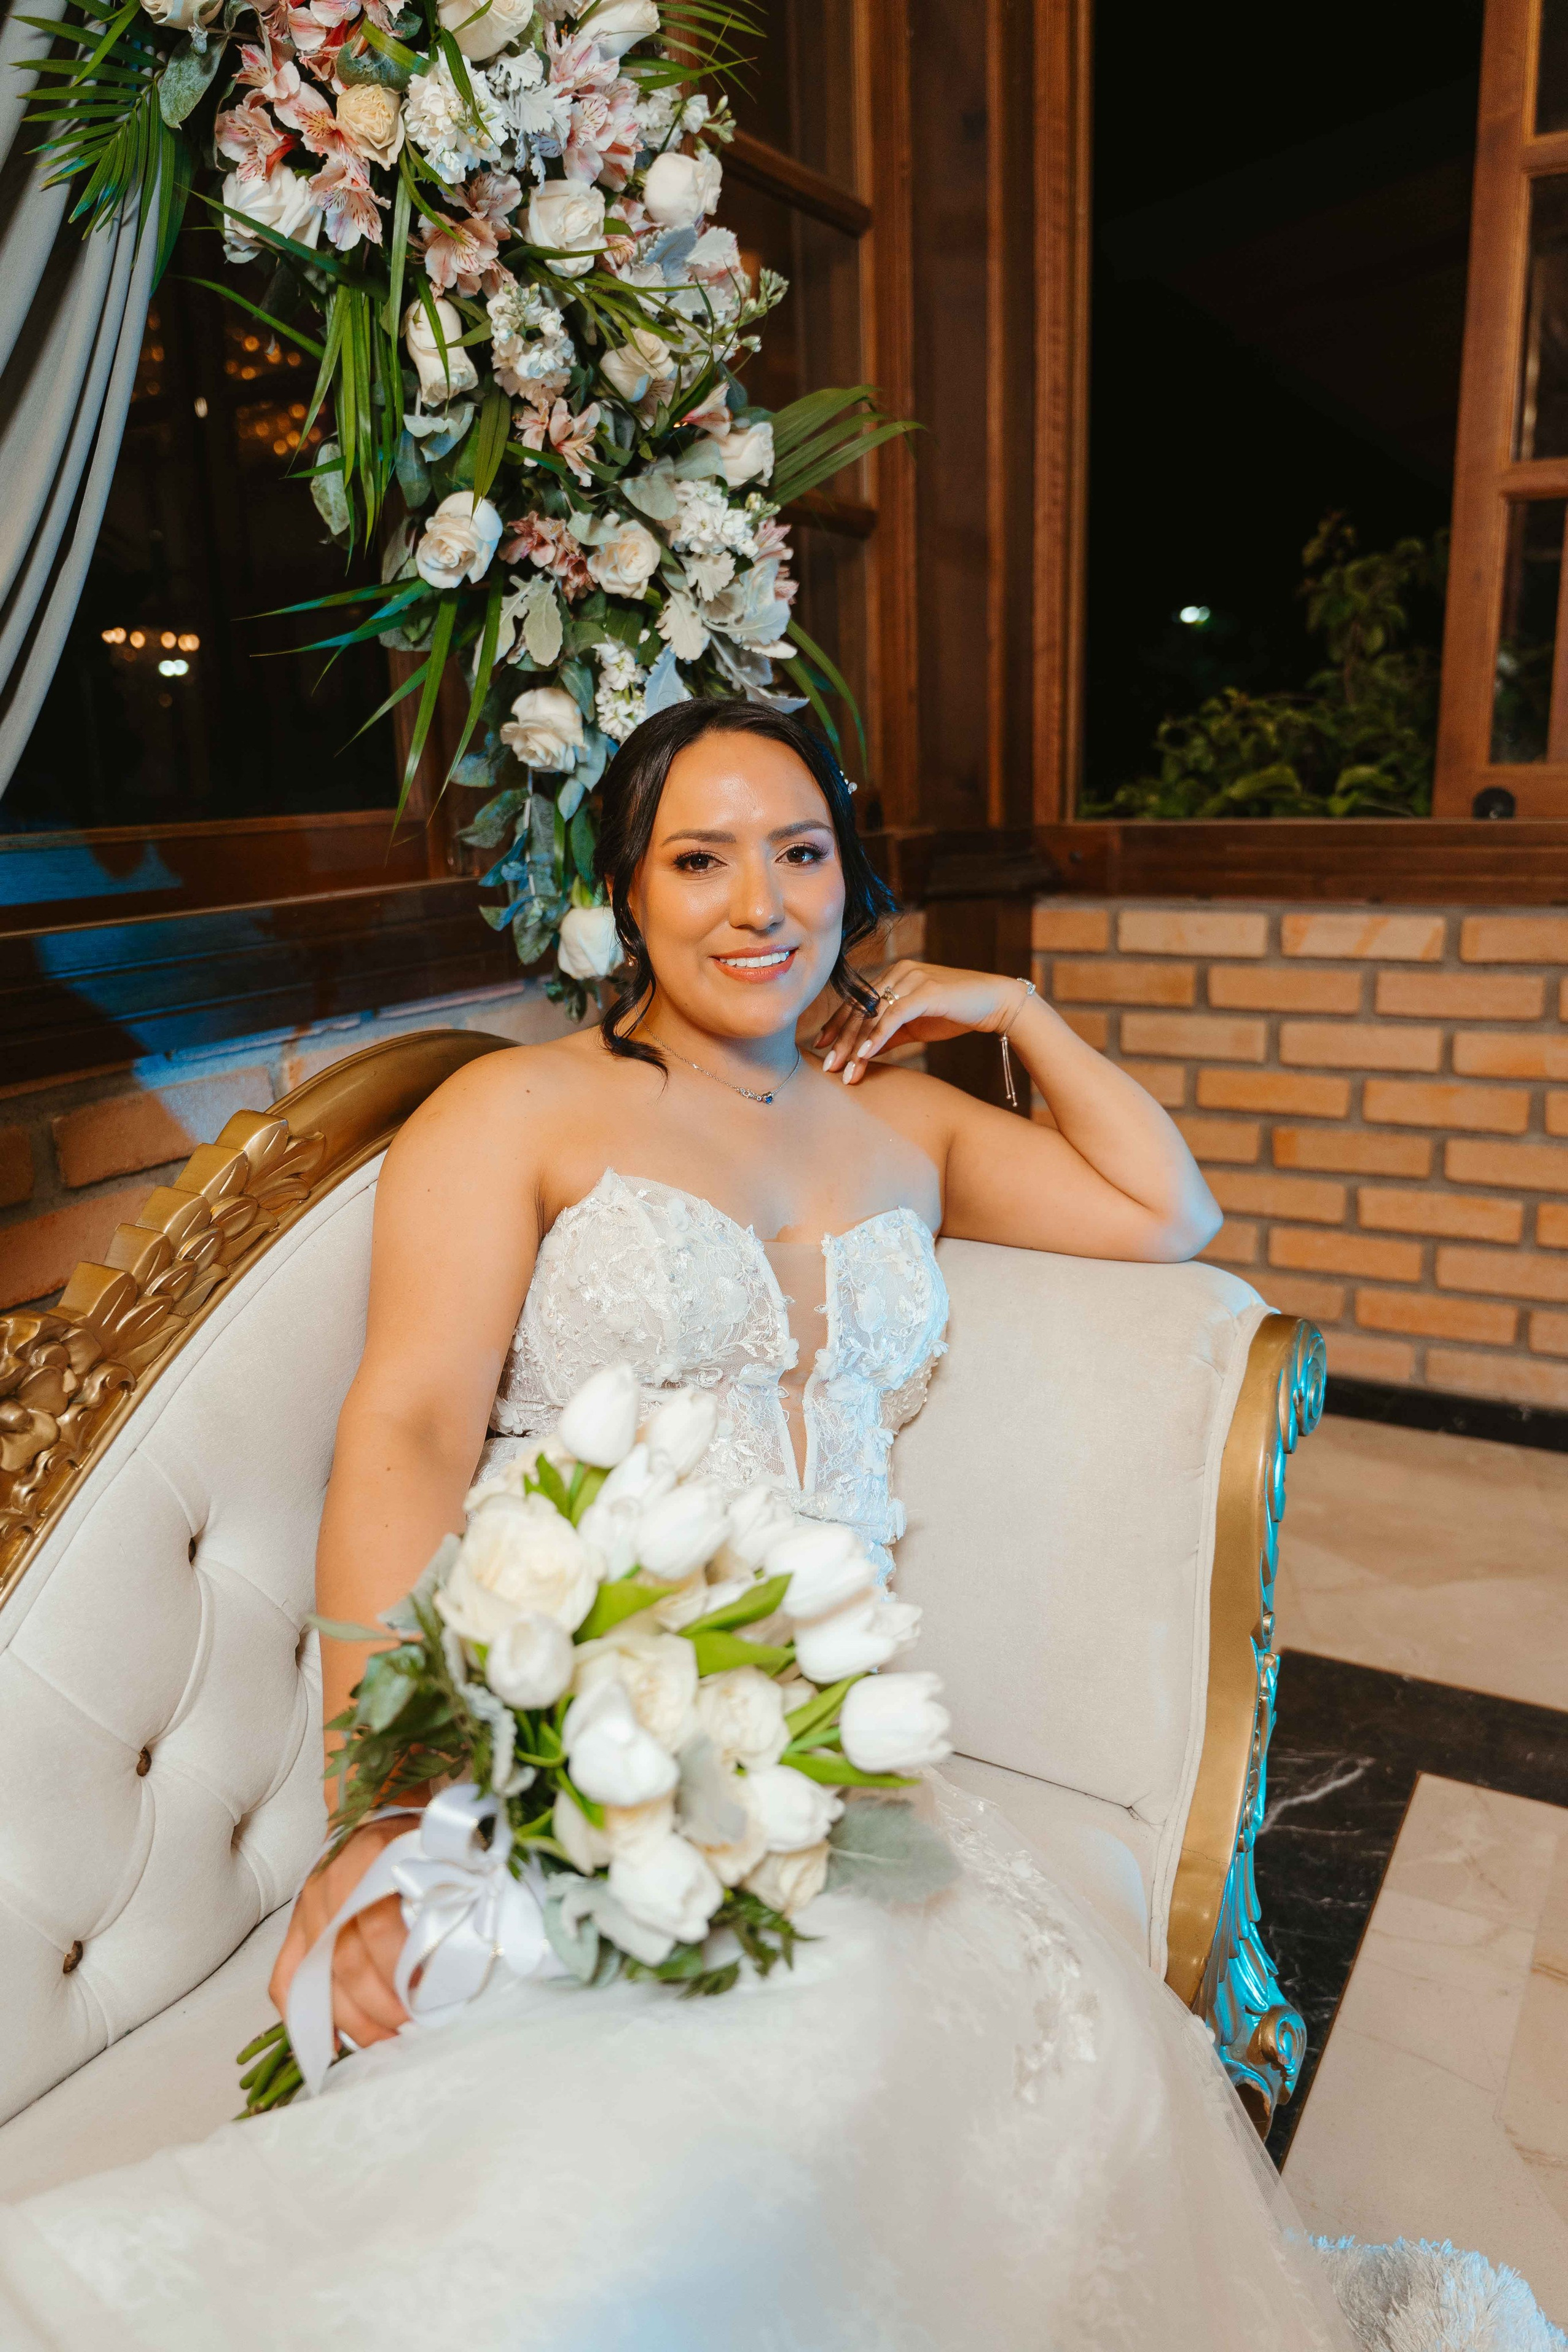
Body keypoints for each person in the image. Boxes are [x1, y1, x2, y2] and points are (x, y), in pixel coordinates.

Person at [1, 703, 1365, 2349]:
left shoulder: (909, 1125)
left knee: (944, 2084)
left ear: (854, 885)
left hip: (832, 1735)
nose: (759, 905)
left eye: (801, 856)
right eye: (699, 860)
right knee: (672, 2133)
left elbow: (1173, 1213)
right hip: (580, 1710)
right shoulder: (516, 1115)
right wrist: (380, 1805)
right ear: (624, 896)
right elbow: (412, 1430)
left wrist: (1010, 1009)